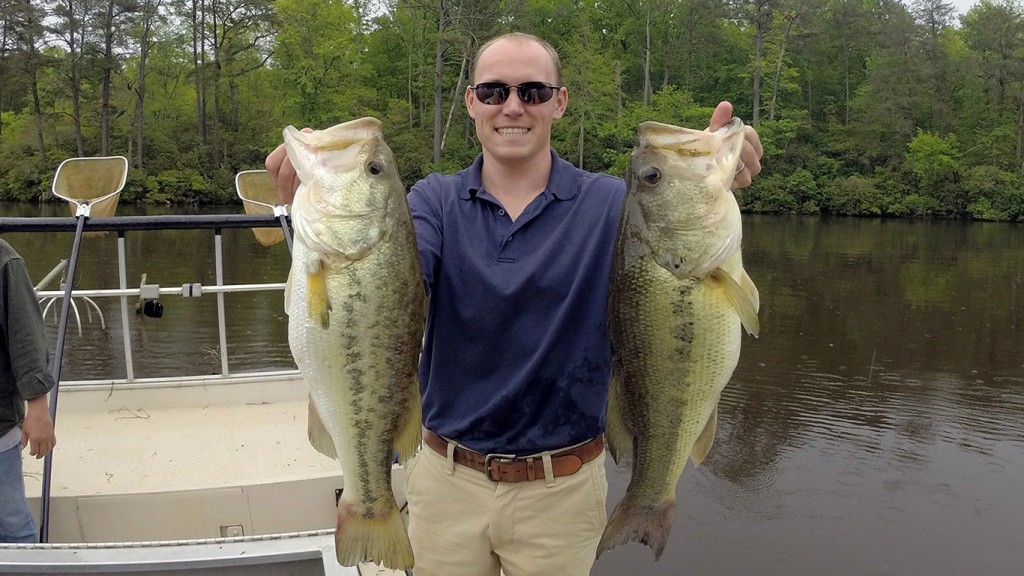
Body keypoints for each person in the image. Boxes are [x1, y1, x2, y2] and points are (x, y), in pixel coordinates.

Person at [267, 32, 762, 576]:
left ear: (559, 102)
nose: (512, 106)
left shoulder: (611, 205)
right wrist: (307, 210)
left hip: (563, 490)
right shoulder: (432, 201)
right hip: (444, 480)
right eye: (493, 90)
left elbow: (672, 260)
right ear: (471, 101)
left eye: (533, 91)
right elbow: (382, 287)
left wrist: (716, 179)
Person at [0, 238, 57, 543]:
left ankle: (27, 562)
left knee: (11, 524)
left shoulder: (4, 262)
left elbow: (26, 336)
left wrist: (37, 406)